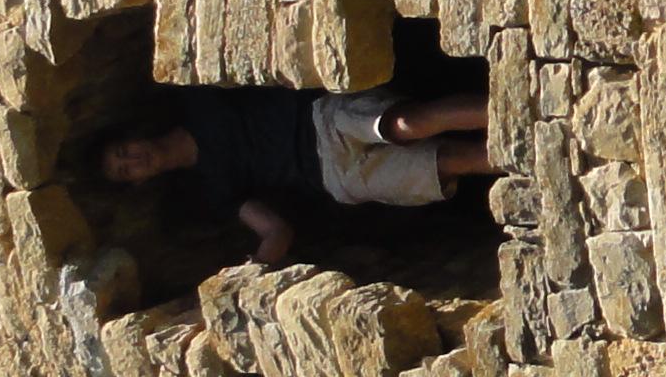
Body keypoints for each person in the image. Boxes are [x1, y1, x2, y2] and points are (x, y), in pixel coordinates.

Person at [91, 84, 493, 266]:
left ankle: (518, 107)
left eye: (124, 152)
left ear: (135, 136)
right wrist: (254, 269)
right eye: (126, 170)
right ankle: (528, 152)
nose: (134, 160)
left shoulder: (195, 104)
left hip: (319, 120)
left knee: (405, 124)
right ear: (139, 183)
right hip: (333, 176)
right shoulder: (211, 188)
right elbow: (274, 231)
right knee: (445, 163)